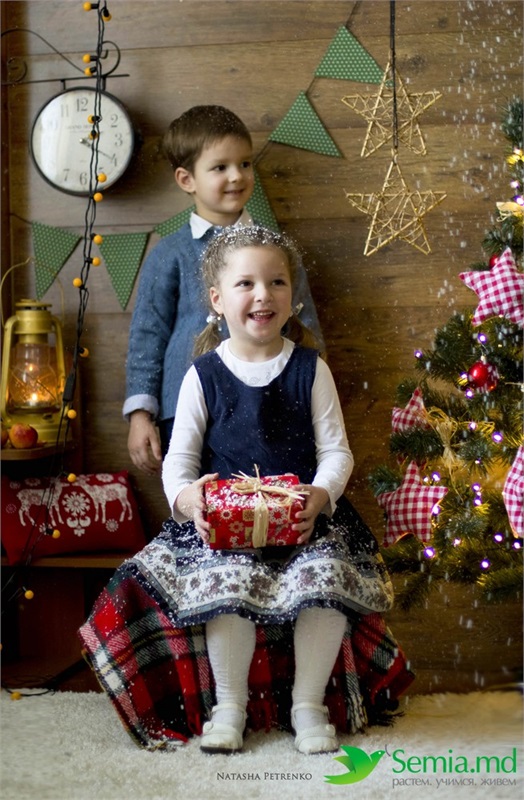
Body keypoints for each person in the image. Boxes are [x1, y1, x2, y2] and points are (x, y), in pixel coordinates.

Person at [78, 226, 412, 754]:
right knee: (225, 583)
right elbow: (180, 461)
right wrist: (188, 499)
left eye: (277, 282)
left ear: (292, 296)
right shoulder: (203, 375)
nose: (263, 294)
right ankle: (228, 706)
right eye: (246, 284)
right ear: (217, 299)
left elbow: (337, 452)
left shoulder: (311, 369)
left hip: (302, 521)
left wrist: (321, 495)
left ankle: (308, 705)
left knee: (326, 580)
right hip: (225, 525)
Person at [123, 105, 322, 475]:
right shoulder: (170, 253)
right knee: (201, 499)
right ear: (187, 179)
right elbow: (147, 336)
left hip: (270, 404)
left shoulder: (276, 251)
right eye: (220, 167)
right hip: (186, 409)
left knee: (269, 495)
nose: (237, 176)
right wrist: (140, 413)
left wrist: (312, 394)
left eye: (245, 163)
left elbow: (303, 321)